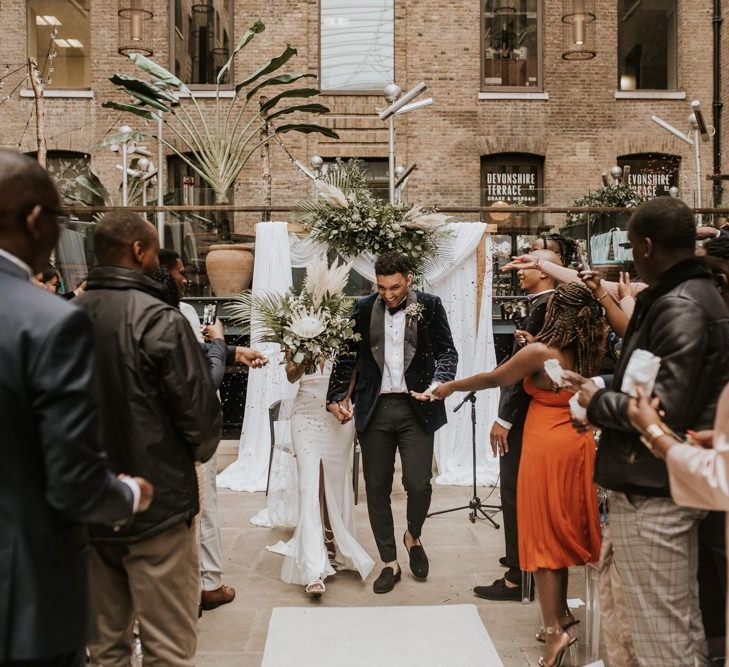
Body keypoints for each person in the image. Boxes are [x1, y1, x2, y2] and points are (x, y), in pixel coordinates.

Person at [0, 150, 153, 667]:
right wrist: (127, 494)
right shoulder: (47, 322)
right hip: (23, 601)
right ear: (36, 220)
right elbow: (72, 482)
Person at [566, 197, 729, 667]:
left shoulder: (681, 305)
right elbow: (645, 381)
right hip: (657, 483)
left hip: (656, 488)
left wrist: (596, 403)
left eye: (632, 245)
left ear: (647, 245)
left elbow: (664, 410)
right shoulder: (682, 296)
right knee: (664, 626)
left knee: (663, 636)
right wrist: (598, 384)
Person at [416, 282, 606, 667]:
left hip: (547, 445)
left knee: (544, 540)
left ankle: (556, 632)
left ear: (557, 314)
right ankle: (563, 615)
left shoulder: (540, 351)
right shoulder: (588, 347)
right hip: (576, 443)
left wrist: (449, 387)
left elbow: (494, 378)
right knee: (561, 531)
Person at [77, 211, 222, 666]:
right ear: (139, 251)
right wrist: (191, 460)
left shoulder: (63, 317)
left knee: (105, 649)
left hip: (90, 507)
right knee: (168, 649)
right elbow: (200, 419)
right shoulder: (161, 320)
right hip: (157, 506)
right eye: (156, 250)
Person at [327, 251, 458, 594]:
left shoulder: (430, 305)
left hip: (418, 407)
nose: (388, 294)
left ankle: (412, 535)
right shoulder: (362, 308)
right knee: (376, 488)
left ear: (409, 279)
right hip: (376, 408)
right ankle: (389, 561)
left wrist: (439, 384)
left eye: (395, 287)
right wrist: (335, 396)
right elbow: (347, 357)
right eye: (382, 288)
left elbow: (447, 351)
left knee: (419, 484)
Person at [156, 248, 266, 612]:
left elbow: (195, 355)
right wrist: (219, 343)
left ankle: (200, 581)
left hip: (170, 431)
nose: (185, 278)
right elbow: (202, 378)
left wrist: (232, 350)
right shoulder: (171, 316)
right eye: (179, 272)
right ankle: (207, 584)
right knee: (203, 507)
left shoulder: (175, 312)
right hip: (189, 427)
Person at [478, 248, 560, 602]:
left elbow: (524, 373)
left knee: (514, 493)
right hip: (535, 416)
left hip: (526, 417)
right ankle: (519, 558)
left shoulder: (546, 309)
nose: (520, 270)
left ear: (546, 271)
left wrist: (503, 418)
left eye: (528, 264)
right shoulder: (543, 306)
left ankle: (517, 576)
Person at [279, 358, 374, 596]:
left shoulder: (345, 326)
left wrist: (344, 398)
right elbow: (291, 375)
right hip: (306, 415)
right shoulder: (296, 327)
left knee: (335, 482)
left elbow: (352, 368)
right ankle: (313, 569)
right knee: (308, 486)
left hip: (337, 412)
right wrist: (304, 359)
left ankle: (332, 543)